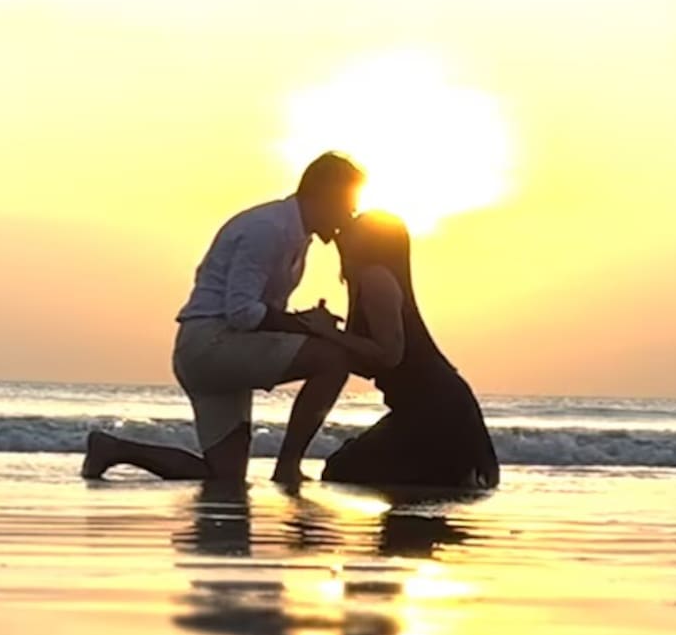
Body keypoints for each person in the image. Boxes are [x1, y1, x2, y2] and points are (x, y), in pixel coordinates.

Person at [82, 152, 365, 485]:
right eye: (347, 204)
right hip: (211, 345)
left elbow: (260, 312)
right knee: (333, 359)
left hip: (218, 347)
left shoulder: (296, 236)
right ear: (322, 195)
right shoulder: (267, 229)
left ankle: (113, 449)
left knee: (224, 477)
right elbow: (243, 312)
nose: (350, 215)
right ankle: (288, 466)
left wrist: (304, 322)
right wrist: (305, 324)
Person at [299, 211, 499, 489]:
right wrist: (325, 336)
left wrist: (328, 333)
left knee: (343, 471)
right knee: (349, 471)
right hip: (424, 408)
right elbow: (374, 362)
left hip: (437, 410)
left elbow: (389, 354)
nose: (343, 231)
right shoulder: (365, 280)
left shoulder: (375, 278)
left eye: (355, 228)